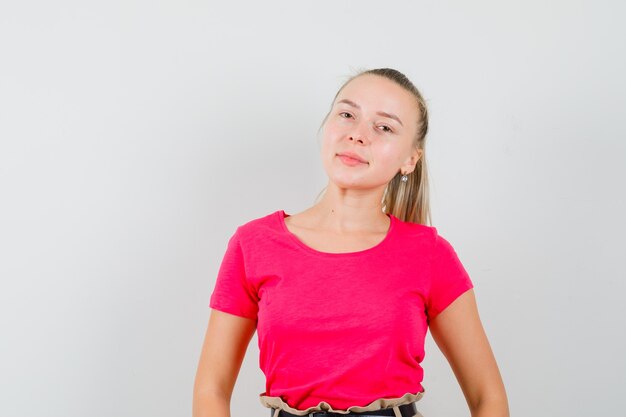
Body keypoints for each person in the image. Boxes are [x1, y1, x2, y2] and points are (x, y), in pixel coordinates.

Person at [193, 68, 509, 417]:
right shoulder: (253, 244)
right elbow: (211, 390)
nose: (358, 135)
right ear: (326, 127)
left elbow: (487, 398)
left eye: (384, 127)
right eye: (347, 115)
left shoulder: (430, 255)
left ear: (410, 159)